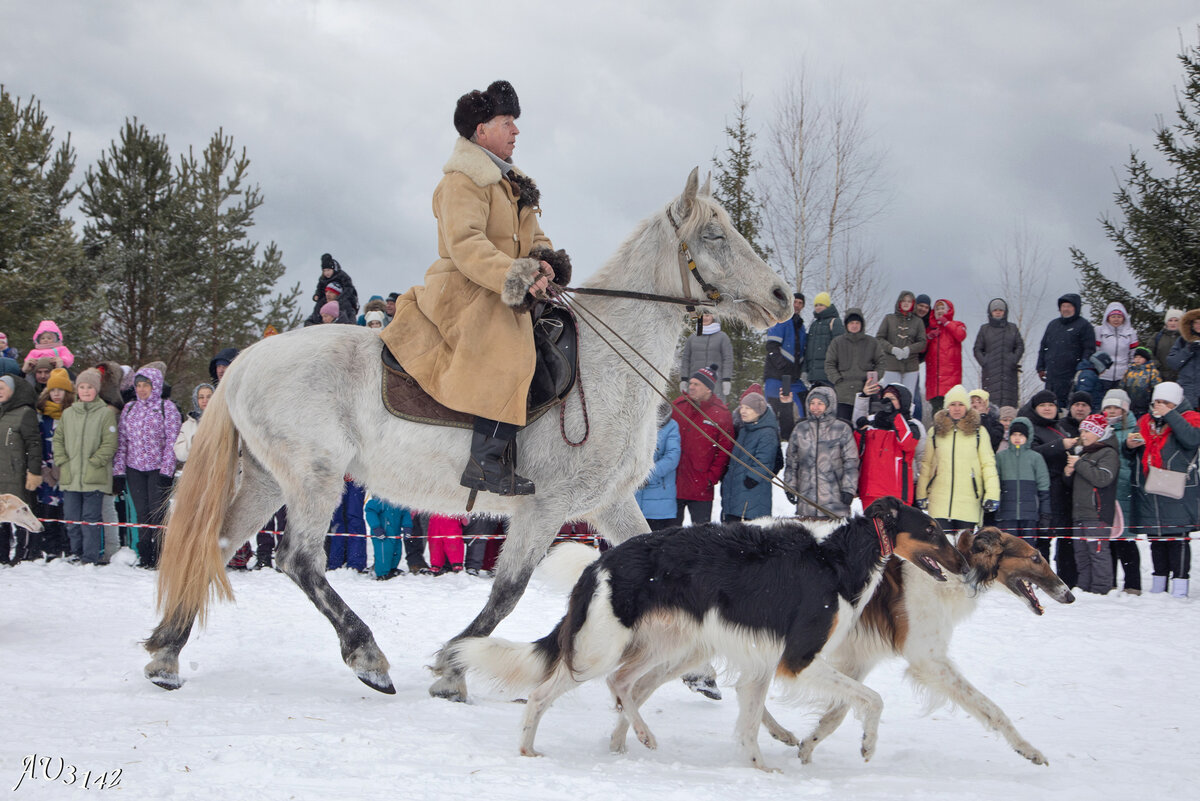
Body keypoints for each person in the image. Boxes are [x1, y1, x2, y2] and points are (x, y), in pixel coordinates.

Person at [383, 80, 571, 497]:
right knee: (507, 344)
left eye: (515, 123)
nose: (516, 131)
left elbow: (535, 236)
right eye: (507, 122)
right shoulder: (462, 181)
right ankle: (485, 462)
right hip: (464, 287)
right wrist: (519, 275)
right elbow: (467, 245)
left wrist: (544, 262)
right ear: (481, 131)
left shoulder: (513, 183)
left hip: (505, 284)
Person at [1126, 382, 1200, 598]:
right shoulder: (1145, 422)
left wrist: (1170, 415)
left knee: (1177, 539)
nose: (1159, 406)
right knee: (1156, 539)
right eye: (1157, 402)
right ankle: (1159, 583)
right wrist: (1129, 445)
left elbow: (1191, 439)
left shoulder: (1190, 418)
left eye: (1165, 402)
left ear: (1176, 403)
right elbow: (1133, 451)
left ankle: (1180, 585)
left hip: (1178, 488)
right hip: (1151, 489)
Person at [113, 366, 182, 568]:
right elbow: (122, 442)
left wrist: (167, 471)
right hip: (134, 469)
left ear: (156, 386)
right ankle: (145, 553)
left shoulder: (166, 408)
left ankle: (161, 553)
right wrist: (118, 472)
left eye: (146, 385)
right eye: (139, 385)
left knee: (157, 511)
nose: (142, 389)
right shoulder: (130, 408)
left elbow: (172, 441)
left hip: (158, 470)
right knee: (141, 512)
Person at [51, 369, 118, 566]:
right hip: (71, 476)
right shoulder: (68, 413)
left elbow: (110, 443)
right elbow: (58, 439)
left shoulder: (105, 413)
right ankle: (76, 552)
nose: (86, 390)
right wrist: (62, 460)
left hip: (94, 477)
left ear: (96, 389)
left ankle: (90, 557)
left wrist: (95, 462)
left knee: (90, 519)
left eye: (90, 387)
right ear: (77, 390)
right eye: (82, 387)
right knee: (71, 518)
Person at [916, 385, 1000, 531]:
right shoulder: (935, 432)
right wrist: (921, 493)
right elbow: (926, 465)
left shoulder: (979, 432)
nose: (956, 408)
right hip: (939, 501)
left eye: (961, 404)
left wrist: (992, 494)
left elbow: (988, 465)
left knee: (965, 544)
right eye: (953, 404)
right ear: (947, 407)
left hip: (968, 502)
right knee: (942, 544)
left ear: (966, 407)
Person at [1017, 388, 1077, 583]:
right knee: (1043, 538)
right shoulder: (1032, 428)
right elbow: (1033, 453)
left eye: (1051, 405)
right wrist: (1061, 445)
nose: (1047, 408)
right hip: (1043, 490)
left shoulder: (1060, 427)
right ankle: (1040, 578)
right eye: (1042, 405)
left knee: (1065, 538)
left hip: (1064, 490)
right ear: (1035, 408)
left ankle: (1067, 579)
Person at [671, 366, 735, 525]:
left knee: (700, 534)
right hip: (674, 485)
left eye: (697, 384)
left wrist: (711, 478)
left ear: (708, 389)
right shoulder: (678, 406)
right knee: (670, 533)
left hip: (701, 487)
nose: (691, 387)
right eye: (691, 383)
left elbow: (725, 451)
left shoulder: (721, 414)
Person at [783, 385, 859, 518]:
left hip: (835, 500)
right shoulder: (801, 429)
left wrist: (849, 489)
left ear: (829, 405)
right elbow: (791, 461)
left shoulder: (842, 429)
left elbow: (851, 462)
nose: (815, 407)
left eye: (820, 403)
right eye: (812, 403)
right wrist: (790, 487)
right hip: (806, 500)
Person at [1064, 413, 1119, 594]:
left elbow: (1103, 478)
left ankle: (1101, 590)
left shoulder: (1108, 452)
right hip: (1080, 513)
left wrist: (1079, 464)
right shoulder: (1084, 453)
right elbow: (1078, 483)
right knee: (1082, 555)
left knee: (1098, 553)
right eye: (1082, 431)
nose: (1083, 435)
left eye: (1088, 431)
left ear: (1099, 433)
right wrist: (1068, 473)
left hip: (1097, 513)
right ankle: (1084, 588)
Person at [1101, 389, 1142, 594]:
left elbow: (1139, 456)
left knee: (1126, 539)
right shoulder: (1101, 430)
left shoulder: (1134, 430)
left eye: (1115, 407)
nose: (1111, 411)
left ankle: (1133, 584)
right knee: (1108, 540)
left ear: (1124, 410)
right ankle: (1110, 581)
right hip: (1105, 489)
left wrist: (1129, 447)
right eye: (1107, 407)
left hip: (1125, 489)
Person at [854, 382, 920, 508]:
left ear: (902, 402)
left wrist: (895, 416)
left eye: (892, 399)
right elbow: (856, 453)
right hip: (870, 492)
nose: (887, 402)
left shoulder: (911, 426)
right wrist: (859, 432)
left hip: (896, 495)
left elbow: (907, 444)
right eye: (885, 399)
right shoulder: (871, 424)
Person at [0, 375, 42, 564]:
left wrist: (34, 472)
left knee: (22, 513)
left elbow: (34, 444)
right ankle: (2, 553)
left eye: (3, 387)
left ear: (14, 391)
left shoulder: (25, 413)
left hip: (17, 473)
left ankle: (24, 553)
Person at [720, 390, 779, 522]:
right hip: (735, 490)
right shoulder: (744, 429)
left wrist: (752, 478)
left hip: (751, 492)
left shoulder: (767, 432)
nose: (743, 411)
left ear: (758, 411)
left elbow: (764, 460)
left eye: (748, 408)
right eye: (742, 407)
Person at [35, 368, 74, 560]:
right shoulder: (41, 415)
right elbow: (36, 443)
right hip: (46, 470)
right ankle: (51, 548)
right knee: (48, 510)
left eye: (61, 390)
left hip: (67, 470)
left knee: (67, 511)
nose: (57, 394)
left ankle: (68, 547)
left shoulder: (73, 414)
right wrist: (44, 469)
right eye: (53, 390)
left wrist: (64, 467)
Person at [994, 416, 1050, 546]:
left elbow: (1044, 487)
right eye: (1014, 434)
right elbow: (995, 484)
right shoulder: (1001, 457)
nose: (1017, 438)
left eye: (1021, 435)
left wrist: (1045, 514)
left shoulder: (1036, 458)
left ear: (1028, 437)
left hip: (1030, 514)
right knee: (1008, 548)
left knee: (1027, 549)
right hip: (1007, 513)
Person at [1037, 293, 1096, 409]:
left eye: (1069, 306)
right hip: (1052, 375)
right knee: (1051, 404)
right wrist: (1040, 367)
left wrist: (1082, 369)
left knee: (1069, 405)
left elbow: (1089, 349)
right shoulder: (1053, 325)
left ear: (1076, 308)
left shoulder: (1084, 326)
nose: (1065, 309)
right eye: (1063, 306)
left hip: (1072, 374)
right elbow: (1043, 347)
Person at [825, 307, 880, 422]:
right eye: (851, 323)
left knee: (864, 426)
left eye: (857, 323)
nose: (854, 325)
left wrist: (873, 379)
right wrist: (837, 380)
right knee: (844, 425)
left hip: (866, 392)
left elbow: (881, 362)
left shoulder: (872, 342)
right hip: (843, 395)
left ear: (862, 324)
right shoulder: (837, 342)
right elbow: (829, 363)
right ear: (846, 325)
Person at [763, 292, 807, 436]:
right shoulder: (781, 320)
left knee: (800, 402)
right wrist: (782, 365)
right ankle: (770, 437)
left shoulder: (801, 326)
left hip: (792, 378)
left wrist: (800, 370)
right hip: (775, 375)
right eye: (795, 302)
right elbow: (771, 346)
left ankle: (794, 436)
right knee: (773, 410)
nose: (797, 305)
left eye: (800, 303)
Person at [634, 404, 681, 531]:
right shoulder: (635, 423)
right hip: (633, 502)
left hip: (660, 501)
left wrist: (647, 475)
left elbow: (672, 458)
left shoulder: (670, 426)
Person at [973, 298, 1025, 409]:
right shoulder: (984, 329)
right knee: (990, 405)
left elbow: (1020, 346)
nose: (998, 312)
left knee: (1009, 407)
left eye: (1000, 310)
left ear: (1005, 312)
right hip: (990, 374)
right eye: (995, 310)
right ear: (990, 312)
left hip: (1009, 373)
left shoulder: (1012, 328)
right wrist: (985, 362)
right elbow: (977, 349)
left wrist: (1013, 359)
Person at [875, 290, 926, 401]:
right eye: (904, 301)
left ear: (913, 304)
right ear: (899, 302)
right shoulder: (889, 319)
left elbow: (922, 342)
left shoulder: (918, 322)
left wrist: (909, 349)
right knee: (891, 396)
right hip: (891, 365)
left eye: (909, 301)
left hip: (911, 366)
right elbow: (879, 338)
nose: (906, 303)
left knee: (908, 398)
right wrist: (892, 349)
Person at [923, 299, 966, 415]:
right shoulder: (930, 329)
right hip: (934, 380)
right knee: (937, 412)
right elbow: (921, 349)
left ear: (948, 310)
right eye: (937, 309)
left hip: (951, 379)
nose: (940, 311)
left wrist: (947, 323)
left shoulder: (957, 325)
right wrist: (928, 337)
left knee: (951, 411)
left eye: (943, 308)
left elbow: (961, 335)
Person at [680, 312, 734, 401]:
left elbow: (728, 359)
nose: (704, 318)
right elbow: (686, 359)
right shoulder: (692, 337)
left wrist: (726, 379)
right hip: (694, 383)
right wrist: (684, 379)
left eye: (707, 315)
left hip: (716, 383)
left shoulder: (723, 337)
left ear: (713, 316)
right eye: (702, 315)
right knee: (693, 407)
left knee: (715, 407)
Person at [365, 496, 414, 580]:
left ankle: (392, 568)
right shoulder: (380, 500)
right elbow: (370, 511)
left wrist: (407, 526)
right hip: (382, 533)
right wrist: (376, 527)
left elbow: (405, 513)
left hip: (396, 532)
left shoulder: (400, 500)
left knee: (397, 552)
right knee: (384, 553)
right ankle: (382, 573)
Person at [1095, 301, 1138, 394]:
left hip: (1122, 375)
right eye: (1113, 316)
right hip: (1103, 375)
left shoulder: (1130, 333)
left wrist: (1130, 370)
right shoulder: (1099, 331)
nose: (1116, 319)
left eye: (1119, 317)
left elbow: (1133, 354)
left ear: (1123, 318)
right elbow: (1095, 352)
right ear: (1108, 317)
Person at [326, 476, 367, 572]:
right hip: (335, 479)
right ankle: (335, 561)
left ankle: (356, 563)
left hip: (356, 479)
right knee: (336, 521)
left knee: (354, 519)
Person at [805, 292, 844, 388]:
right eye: (816, 305)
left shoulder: (835, 322)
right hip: (813, 375)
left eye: (821, 305)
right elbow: (808, 350)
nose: (818, 307)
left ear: (827, 306)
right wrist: (805, 370)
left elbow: (841, 348)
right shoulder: (814, 325)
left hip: (828, 375)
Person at [173, 383, 214, 467]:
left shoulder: (224, 420)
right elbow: (180, 455)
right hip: (194, 469)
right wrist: (193, 442)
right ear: (196, 400)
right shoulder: (187, 426)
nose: (205, 400)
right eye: (201, 397)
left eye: (209, 397)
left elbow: (236, 446)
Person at [1166, 308, 1200, 410]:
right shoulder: (1182, 341)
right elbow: (1172, 362)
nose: (1198, 325)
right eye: (1196, 323)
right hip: (1187, 391)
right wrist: (1188, 350)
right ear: (1191, 324)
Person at [310, 253, 359, 320]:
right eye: (324, 271)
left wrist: (339, 299)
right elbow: (319, 288)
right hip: (328, 299)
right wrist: (317, 295)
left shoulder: (342, 276)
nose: (326, 273)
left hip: (344, 298)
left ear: (333, 268)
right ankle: (316, 320)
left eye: (328, 270)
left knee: (344, 306)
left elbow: (349, 289)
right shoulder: (323, 279)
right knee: (320, 304)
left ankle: (345, 319)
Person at [1120, 346, 1161, 418]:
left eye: (1140, 357)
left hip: (1145, 405)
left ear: (1146, 359)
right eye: (1136, 357)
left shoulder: (1152, 372)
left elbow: (1156, 388)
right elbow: (1122, 385)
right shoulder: (1129, 370)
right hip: (1130, 403)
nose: (1137, 359)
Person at [970, 389, 1005, 454]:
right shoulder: (961, 424)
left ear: (987, 409)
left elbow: (992, 441)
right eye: (972, 402)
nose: (975, 405)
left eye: (979, 402)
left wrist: (983, 417)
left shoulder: (997, 426)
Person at [1153, 308, 1183, 381]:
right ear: (1166, 322)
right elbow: (1148, 352)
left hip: (1181, 376)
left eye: (1176, 320)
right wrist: (1156, 364)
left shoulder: (1186, 337)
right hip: (1160, 375)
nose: (1173, 323)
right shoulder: (1157, 336)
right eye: (1170, 320)